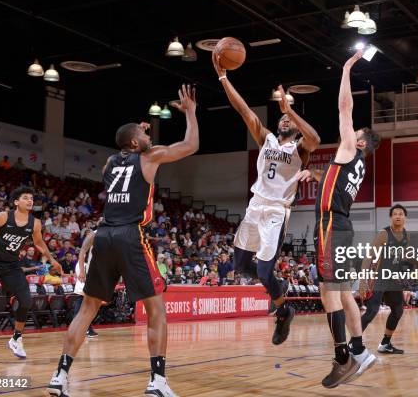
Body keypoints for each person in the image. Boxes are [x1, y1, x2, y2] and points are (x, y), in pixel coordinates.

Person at [47, 84, 198, 397]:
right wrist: (191, 113)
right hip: (131, 234)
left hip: (104, 235)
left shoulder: (109, 165)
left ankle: (60, 375)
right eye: (145, 136)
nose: (150, 138)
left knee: (87, 308)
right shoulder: (150, 157)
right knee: (156, 309)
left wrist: (135, 134)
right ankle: (157, 381)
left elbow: (125, 152)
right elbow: (189, 145)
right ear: (135, 143)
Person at [213, 53, 321, 345]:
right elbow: (244, 110)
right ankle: (280, 287)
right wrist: (223, 77)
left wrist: (291, 109)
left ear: (295, 125)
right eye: (283, 117)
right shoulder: (266, 138)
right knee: (240, 265)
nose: (285, 120)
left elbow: (316, 139)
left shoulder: (300, 148)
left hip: (277, 210)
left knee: (263, 269)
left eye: (289, 118)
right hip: (254, 206)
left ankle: (283, 311)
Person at [299, 50, 381, 388]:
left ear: (359, 140)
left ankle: (342, 356)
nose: (350, 132)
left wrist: (346, 68)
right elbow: (335, 182)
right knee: (344, 292)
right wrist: (316, 176)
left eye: (355, 132)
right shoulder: (355, 163)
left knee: (328, 292)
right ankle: (361, 351)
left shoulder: (351, 147)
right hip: (342, 224)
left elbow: (343, 107)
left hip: (331, 224)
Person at [0, 186, 62, 360]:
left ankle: (16, 338)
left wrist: (52, 259)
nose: (30, 200)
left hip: (11, 265)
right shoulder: (2, 217)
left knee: (26, 300)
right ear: (16, 202)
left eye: (31, 198)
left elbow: (38, 243)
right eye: (25, 198)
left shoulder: (35, 223)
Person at [360, 204, 410, 354]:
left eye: (401, 213)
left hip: (393, 279)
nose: (398, 216)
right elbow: (369, 256)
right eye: (395, 214)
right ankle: (353, 343)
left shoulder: (406, 235)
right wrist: (363, 280)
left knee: (398, 310)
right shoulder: (384, 233)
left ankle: (385, 344)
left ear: (405, 217)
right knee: (372, 311)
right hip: (379, 277)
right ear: (391, 217)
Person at [73, 229, 97, 338]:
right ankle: (80, 327)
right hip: (84, 266)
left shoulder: (98, 239)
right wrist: (82, 271)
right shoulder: (87, 242)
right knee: (82, 297)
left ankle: (86, 327)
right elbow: (81, 256)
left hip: (90, 268)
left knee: (88, 299)